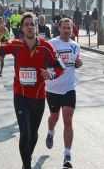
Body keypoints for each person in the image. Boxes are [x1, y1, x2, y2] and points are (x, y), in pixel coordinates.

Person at [0, 12, 65, 169]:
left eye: (33, 24)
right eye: (27, 24)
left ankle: (27, 157)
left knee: (33, 134)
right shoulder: (16, 45)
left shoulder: (46, 46)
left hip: (38, 98)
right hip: (21, 97)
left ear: (37, 27)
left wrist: (50, 74)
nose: (30, 27)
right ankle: (27, 164)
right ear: (22, 29)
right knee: (25, 132)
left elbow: (60, 67)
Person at [45, 18, 83, 169]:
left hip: (69, 88)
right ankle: (50, 131)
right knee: (54, 117)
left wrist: (79, 63)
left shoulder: (75, 46)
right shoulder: (51, 44)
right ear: (59, 28)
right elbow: (45, 61)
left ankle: (67, 155)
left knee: (68, 120)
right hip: (53, 88)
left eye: (70, 28)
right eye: (65, 27)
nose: (67, 30)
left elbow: (76, 61)